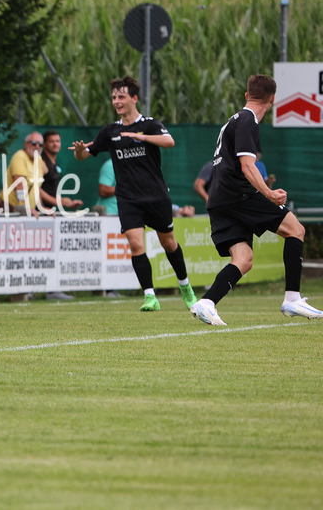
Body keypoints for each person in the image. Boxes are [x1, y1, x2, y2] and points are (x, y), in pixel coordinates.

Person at [190, 74, 323, 325]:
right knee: (296, 229)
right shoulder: (248, 120)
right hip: (237, 195)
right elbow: (247, 165)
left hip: (219, 199)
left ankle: (206, 303)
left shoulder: (233, 121)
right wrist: (269, 194)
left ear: (246, 95)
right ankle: (292, 299)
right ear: (272, 99)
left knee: (244, 259)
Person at [71, 76, 196, 312]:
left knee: (168, 243)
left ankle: (185, 286)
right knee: (136, 244)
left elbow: (169, 141)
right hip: (128, 199)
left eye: (121, 97)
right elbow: (84, 155)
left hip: (156, 196)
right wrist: (79, 151)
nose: (116, 101)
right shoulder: (110, 131)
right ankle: (150, 296)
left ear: (134, 98)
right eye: (114, 97)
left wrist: (142, 137)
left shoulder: (149, 125)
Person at [0, 131, 48, 214]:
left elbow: (37, 187)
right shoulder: (20, 156)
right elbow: (19, 185)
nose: (37, 146)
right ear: (26, 144)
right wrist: (25, 207)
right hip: (11, 209)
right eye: (34, 143)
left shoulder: (38, 159)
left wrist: (41, 208)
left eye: (40, 144)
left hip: (26, 211)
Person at [38, 130, 85, 212]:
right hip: (39, 211)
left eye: (57, 141)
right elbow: (36, 188)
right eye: (51, 141)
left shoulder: (54, 163)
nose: (55, 144)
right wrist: (58, 202)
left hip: (49, 210)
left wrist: (64, 201)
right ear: (44, 144)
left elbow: (49, 189)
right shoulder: (41, 161)